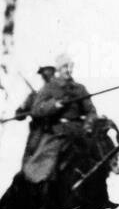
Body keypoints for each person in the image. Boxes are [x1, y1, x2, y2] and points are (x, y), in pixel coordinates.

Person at [22, 55, 96, 184]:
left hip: (78, 131)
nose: (68, 70)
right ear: (59, 69)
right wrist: (53, 105)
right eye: (64, 67)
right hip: (57, 133)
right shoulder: (49, 88)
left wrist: (88, 126)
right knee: (43, 167)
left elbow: (91, 111)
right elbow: (36, 110)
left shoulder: (80, 88)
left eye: (70, 67)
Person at [14, 65, 57, 163]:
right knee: (31, 154)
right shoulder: (34, 96)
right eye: (45, 74)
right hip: (39, 131)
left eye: (50, 74)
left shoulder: (59, 93)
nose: (48, 76)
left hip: (55, 129)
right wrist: (24, 110)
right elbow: (19, 114)